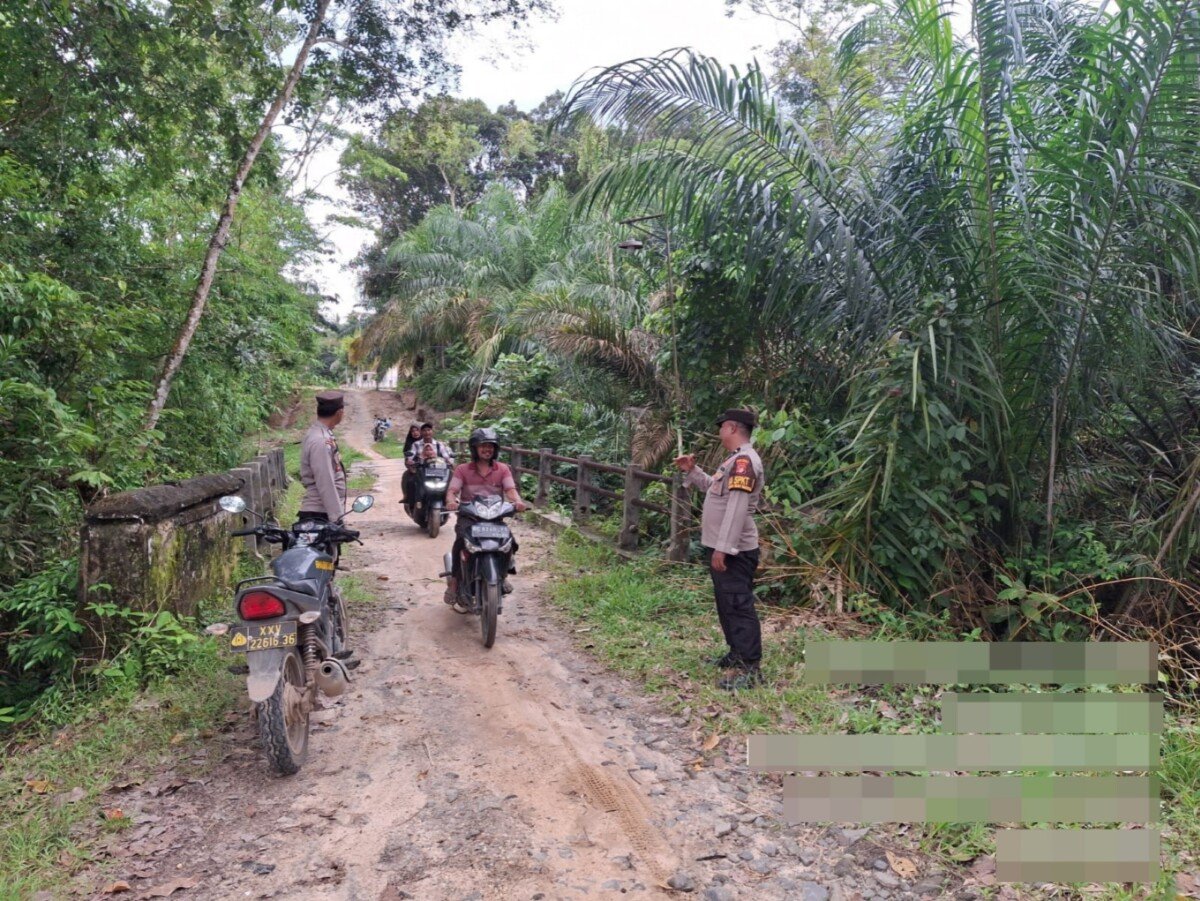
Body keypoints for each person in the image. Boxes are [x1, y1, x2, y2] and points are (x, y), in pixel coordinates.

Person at [674, 408, 766, 691]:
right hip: (722, 546)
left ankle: (751, 667)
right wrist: (692, 470)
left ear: (732, 428)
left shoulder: (744, 462)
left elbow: (737, 508)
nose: (719, 432)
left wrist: (724, 549)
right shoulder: (733, 460)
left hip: (735, 550)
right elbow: (715, 491)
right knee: (726, 603)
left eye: (721, 427)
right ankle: (736, 653)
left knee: (738, 604)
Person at [443, 427, 527, 612]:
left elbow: (510, 490)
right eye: (483, 446)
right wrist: (451, 501)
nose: (487, 449)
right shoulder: (462, 469)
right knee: (460, 543)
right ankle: (455, 582)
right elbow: (452, 490)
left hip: (494, 517)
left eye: (491, 446)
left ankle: (502, 575)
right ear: (475, 448)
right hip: (470, 517)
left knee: (510, 543)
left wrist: (518, 502)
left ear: (495, 449)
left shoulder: (502, 469)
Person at [299, 390, 348, 523]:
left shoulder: (321, 434)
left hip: (322, 512)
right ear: (339, 413)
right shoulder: (320, 440)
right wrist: (336, 518)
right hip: (320, 514)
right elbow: (325, 480)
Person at [400, 423, 422, 504]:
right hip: (415, 467)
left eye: (417, 430)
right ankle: (406, 496)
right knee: (407, 477)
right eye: (413, 431)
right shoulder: (409, 444)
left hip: (429, 467)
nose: (415, 432)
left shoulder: (427, 441)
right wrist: (410, 465)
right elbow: (407, 458)